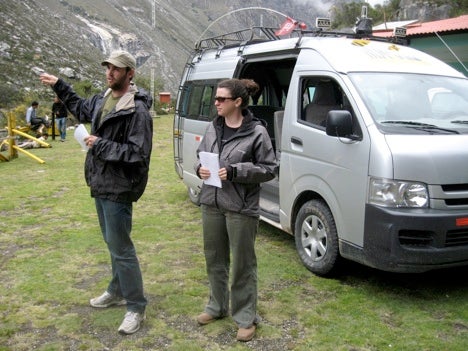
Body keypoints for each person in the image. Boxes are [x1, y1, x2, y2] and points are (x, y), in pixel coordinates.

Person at [39, 50, 153, 335]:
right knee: (112, 243)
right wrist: (58, 84)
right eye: (108, 68)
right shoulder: (104, 99)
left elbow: (138, 154)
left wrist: (99, 144)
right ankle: (116, 290)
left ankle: (136, 306)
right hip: (101, 182)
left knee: (122, 248)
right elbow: (80, 107)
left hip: (119, 186)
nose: (109, 72)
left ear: (130, 73)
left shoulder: (136, 110)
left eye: (116, 69)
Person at [195, 78, 277, 342]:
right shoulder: (212, 128)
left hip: (241, 208)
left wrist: (235, 171)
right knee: (214, 258)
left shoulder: (257, 132)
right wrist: (200, 169)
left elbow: (269, 169)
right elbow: (201, 155)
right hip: (211, 203)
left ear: (237, 102)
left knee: (243, 264)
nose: (215, 103)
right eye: (215, 99)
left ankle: (244, 317)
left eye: (221, 99)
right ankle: (216, 306)